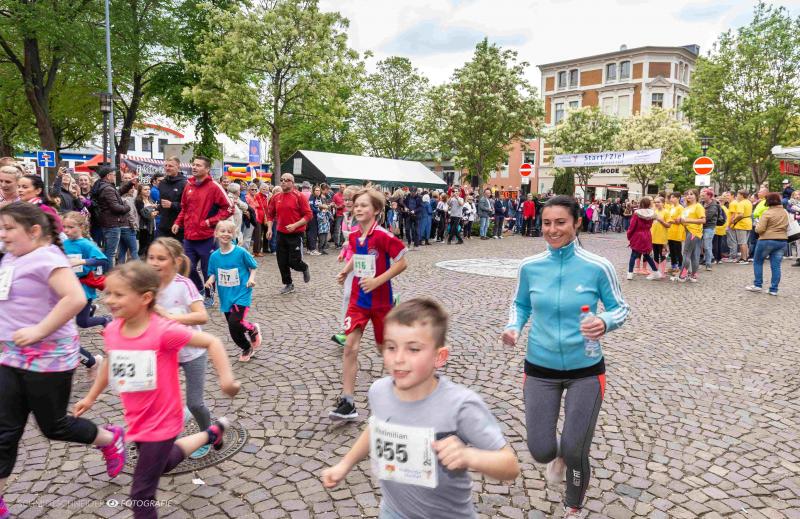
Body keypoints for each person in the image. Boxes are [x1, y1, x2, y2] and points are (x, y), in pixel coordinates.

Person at [321, 299, 519, 517]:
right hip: (392, 512)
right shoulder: (379, 391)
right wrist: (344, 465)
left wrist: (469, 456)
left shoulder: (460, 405)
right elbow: (376, 427)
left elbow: (510, 466)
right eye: (391, 347)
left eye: (413, 349)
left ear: (439, 356)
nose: (398, 359)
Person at [73, 261, 241, 519]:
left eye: (118, 294)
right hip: (137, 418)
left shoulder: (162, 331)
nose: (109, 300)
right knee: (165, 463)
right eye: (108, 293)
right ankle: (211, 434)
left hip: (163, 420)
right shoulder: (114, 328)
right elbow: (110, 360)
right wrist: (91, 396)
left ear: (145, 298)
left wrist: (227, 380)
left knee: (140, 495)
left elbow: (212, 341)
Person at [502, 195, 629, 518]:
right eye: (547, 223)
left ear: (577, 223)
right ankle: (558, 454)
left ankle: (573, 506)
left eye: (560, 222)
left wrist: (605, 321)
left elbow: (620, 308)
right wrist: (513, 326)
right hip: (539, 368)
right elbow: (520, 304)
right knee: (541, 450)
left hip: (586, 370)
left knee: (575, 448)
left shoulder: (597, 266)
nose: (552, 229)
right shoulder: (530, 267)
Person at [0, 203, 126, 519]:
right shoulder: (11, 257)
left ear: (34, 231)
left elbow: (75, 298)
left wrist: (39, 330)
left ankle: (110, 439)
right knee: (4, 433)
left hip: (49, 359)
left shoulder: (48, 258)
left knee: (54, 426)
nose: (3, 234)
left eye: (9, 228)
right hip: (11, 357)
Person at [330, 188, 408, 420]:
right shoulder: (355, 235)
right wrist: (346, 271)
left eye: (364, 205)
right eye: (356, 205)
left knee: (384, 349)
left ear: (376, 210)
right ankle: (348, 401)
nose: (358, 209)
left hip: (381, 303)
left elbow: (402, 262)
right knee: (350, 346)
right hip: (358, 301)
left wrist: (377, 281)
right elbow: (357, 256)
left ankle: (403, 393)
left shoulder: (383, 236)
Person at [146, 237, 215, 458]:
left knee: (195, 403)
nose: (154, 262)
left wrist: (170, 317)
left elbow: (202, 316)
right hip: (165, 353)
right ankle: (166, 437)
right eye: (151, 257)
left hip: (193, 352)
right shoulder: (146, 285)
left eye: (161, 258)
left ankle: (208, 434)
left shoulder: (184, 285)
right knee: (161, 401)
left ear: (176, 261)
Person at [171, 156, 232, 307]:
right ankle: (199, 289)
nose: (194, 167)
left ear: (207, 169)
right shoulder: (189, 185)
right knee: (187, 267)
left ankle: (209, 295)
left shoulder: (214, 187)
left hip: (207, 237)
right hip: (189, 236)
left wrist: (210, 222)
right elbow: (184, 208)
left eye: (198, 165)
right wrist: (177, 222)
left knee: (207, 270)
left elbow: (229, 208)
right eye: (193, 164)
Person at [62, 211, 111, 377]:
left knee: (82, 323)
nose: (67, 230)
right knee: (71, 322)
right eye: (64, 227)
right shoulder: (63, 243)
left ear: (81, 227)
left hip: (83, 289)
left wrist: (83, 261)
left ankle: (104, 319)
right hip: (67, 287)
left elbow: (103, 260)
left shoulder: (86, 244)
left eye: (71, 227)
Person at [205, 220, 262, 362]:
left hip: (242, 293)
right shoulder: (214, 256)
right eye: (222, 231)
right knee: (233, 328)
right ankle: (247, 344)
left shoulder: (240, 252)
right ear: (216, 234)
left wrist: (251, 279)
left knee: (234, 322)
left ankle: (251, 331)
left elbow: (253, 266)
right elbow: (213, 272)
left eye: (229, 232)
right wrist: (210, 280)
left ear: (234, 235)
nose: (226, 234)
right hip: (226, 297)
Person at [266, 173, 312, 295]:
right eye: (281, 179)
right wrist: (269, 229)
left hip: (296, 234)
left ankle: (304, 267)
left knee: (293, 261)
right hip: (281, 233)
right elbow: (270, 214)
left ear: (292, 182)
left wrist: (295, 225)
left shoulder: (299, 196)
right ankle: (288, 284)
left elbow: (308, 215)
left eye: (286, 180)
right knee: (281, 261)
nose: (283, 182)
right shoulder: (276, 197)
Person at [745, 193, 788, 295]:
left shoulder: (767, 213)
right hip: (782, 241)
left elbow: (760, 229)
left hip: (766, 240)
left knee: (758, 262)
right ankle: (774, 289)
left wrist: (756, 225)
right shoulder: (784, 212)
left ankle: (758, 285)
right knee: (776, 266)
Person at [90, 166, 131, 266]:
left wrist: (129, 184)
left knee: (108, 251)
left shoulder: (103, 186)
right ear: (108, 176)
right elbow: (115, 207)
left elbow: (117, 193)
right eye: (114, 175)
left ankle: (106, 272)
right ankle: (108, 273)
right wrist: (127, 207)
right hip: (112, 224)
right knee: (110, 253)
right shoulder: (108, 188)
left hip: (107, 223)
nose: (115, 177)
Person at [625, 197, 660, 280]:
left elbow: (632, 226)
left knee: (634, 254)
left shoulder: (637, 213)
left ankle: (630, 273)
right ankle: (656, 272)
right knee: (647, 255)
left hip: (638, 235)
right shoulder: (652, 213)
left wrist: (629, 236)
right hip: (647, 235)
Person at [675, 189, 706, 283]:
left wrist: (687, 220)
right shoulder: (687, 207)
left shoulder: (698, 206)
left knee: (686, 253)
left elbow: (703, 220)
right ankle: (693, 275)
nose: (688, 196)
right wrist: (679, 220)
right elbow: (683, 220)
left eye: (691, 194)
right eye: (687, 194)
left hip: (694, 232)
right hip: (688, 231)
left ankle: (683, 275)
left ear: (696, 196)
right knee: (693, 255)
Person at [157, 157, 188, 241]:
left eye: (170, 166)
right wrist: (157, 210)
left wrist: (172, 205)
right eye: (166, 166)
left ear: (178, 167)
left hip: (179, 227)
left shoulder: (185, 184)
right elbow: (162, 203)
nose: (167, 168)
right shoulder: (162, 183)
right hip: (163, 226)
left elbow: (188, 206)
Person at [727, 189, 752, 264]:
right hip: (748, 222)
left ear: (742, 195)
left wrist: (734, 220)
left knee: (742, 243)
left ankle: (744, 259)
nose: (737, 196)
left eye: (738, 194)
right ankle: (745, 256)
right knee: (745, 242)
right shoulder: (748, 202)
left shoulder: (741, 203)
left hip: (742, 224)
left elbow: (740, 215)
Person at [118, 181, 140, 263]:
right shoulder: (128, 199)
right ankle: (141, 269)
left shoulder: (119, 199)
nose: (133, 190)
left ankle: (120, 269)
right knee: (134, 252)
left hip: (120, 227)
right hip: (128, 228)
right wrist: (134, 226)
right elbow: (131, 214)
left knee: (122, 252)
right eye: (131, 188)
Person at [700, 189, 722, 271]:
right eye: (701, 195)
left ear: (709, 196)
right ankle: (704, 260)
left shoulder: (714, 205)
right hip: (700, 227)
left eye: (703, 195)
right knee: (700, 246)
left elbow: (708, 217)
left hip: (709, 227)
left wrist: (698, 217)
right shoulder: (701, 203)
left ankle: (708, 264)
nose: (701, 197)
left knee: (707, 246)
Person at [665, 193, 684, 277]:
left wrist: (670, 220)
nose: (671, 199)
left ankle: (680, 267)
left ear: (678, 198)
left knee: (678, 250)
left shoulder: (681, 208)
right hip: (670, 231)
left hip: (677, 232)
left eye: (673, 197)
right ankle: (673, 266)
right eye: (671, 197)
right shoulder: (671, 207)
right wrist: (671, 220)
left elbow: (678, 221)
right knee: (672, 250)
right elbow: (669, 218)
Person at [650, 197, 669, 276]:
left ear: (663, 203)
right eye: (655, 202)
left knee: (662, 255)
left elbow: (668, 225)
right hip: (654, 237)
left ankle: (662, 272)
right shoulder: (654, 212)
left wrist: (661, 221)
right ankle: (656, 272)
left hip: (662, 238)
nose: (656, 204)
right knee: (655, 255)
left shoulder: (666, 212)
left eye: (658, 202)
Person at [247, 183, 267, 256]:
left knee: (259, 235)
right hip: (256, 218)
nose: (254, 191)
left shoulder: (262, 196)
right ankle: (256, 251)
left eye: (255, 189)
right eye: (252, 189)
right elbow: (253, 206)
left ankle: (257, 250)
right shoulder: (256, 196)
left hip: (260, 217)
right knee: (257, 235)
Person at [713, 192, 730, 264]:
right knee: (719, 244)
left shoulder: (719, 208)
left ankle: (716, 258)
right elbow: (727, 219)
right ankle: (719, 258)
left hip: (717, 227)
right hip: (722, 228)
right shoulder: (726, 208)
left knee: (715, 244)